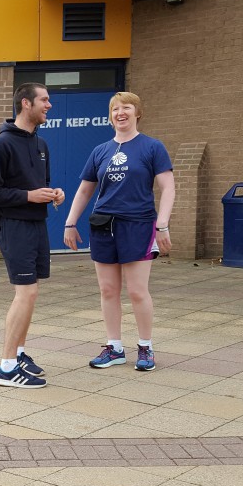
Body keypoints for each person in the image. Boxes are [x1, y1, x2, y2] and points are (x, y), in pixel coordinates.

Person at [63, 91, 175, 372]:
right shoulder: (100, 151)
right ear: (110, 116)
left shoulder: (152, 147)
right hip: (103, 225)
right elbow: (86, 189)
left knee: (137, 291)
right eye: (115, 109)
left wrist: (162, 225)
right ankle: (114, 347)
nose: (120, 113)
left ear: (137, 113)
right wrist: (70, 222)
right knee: (108, 289)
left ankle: (146, 347)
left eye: (126, 108)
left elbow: (168, 188)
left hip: (138, 224)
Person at [0, 83, 66, 389]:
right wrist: (29, 196)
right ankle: (6, 368)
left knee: (32, 293)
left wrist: (54, 193)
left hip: (37, 223)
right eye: (45, 100)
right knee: (25, 293)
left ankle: (18, 353)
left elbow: (38, 184)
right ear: (26, 104)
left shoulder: (41, 145)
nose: (49, 105)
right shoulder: (0, 145)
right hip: (14, 225)